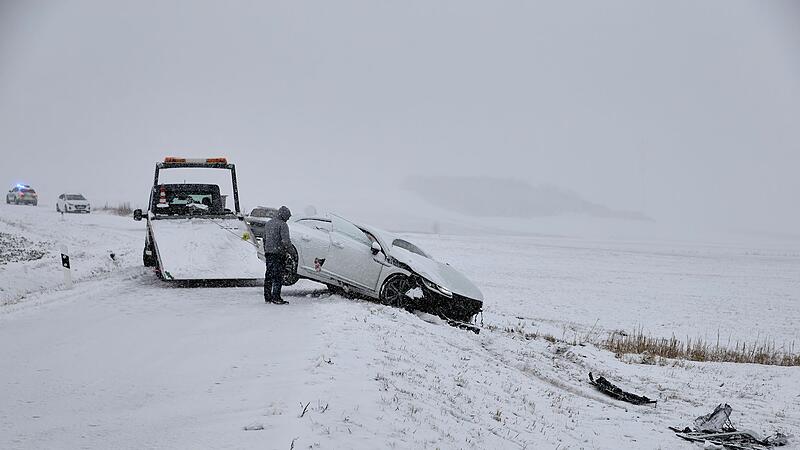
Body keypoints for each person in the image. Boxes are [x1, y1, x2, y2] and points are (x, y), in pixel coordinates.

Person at [262, 205, 292, 304]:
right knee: (278, 276)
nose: (288, 219)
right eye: (287, 217)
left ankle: (267, 297)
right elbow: (285, 241)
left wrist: (266, 249)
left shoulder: (268, 223)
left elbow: (264, 238)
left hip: (269, 253)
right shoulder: (282, 225)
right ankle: (276, 297)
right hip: (278, 254)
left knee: (269, 275)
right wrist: (291, 252)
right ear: (284, 215)